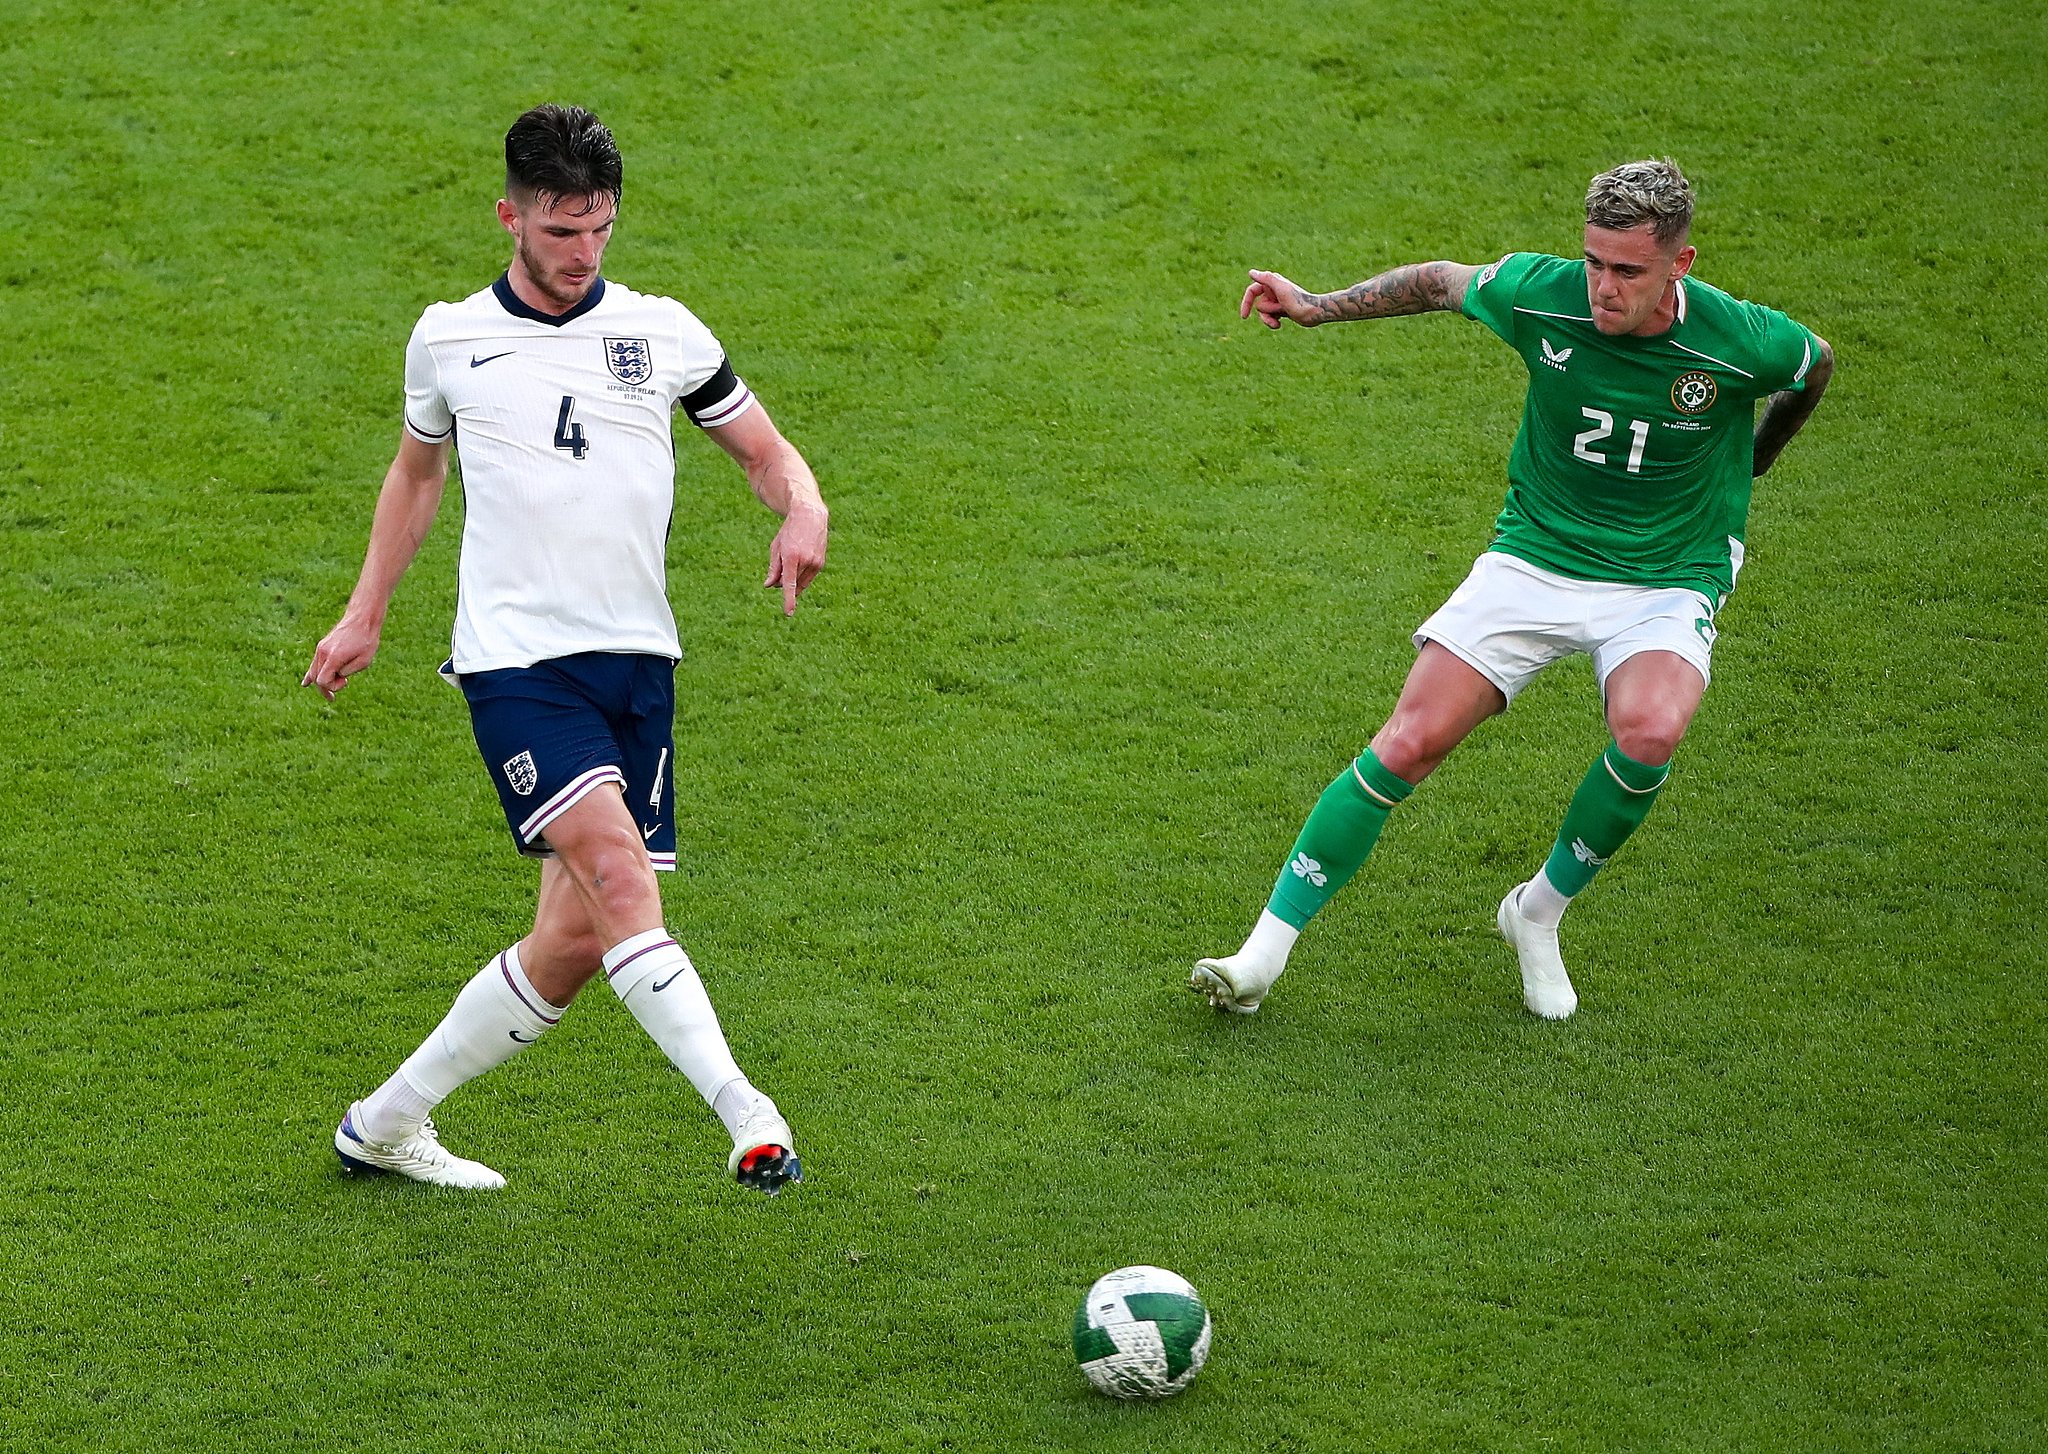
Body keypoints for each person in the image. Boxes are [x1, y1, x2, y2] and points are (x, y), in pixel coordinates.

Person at [304, 104, 829, 1191]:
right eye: (559, 232)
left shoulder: (662, 330)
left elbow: (763, 448)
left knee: (575, 941)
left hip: (637, 664)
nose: (581, 253)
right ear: (510, 216)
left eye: (598, 229)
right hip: (515, 662)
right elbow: (416, 474)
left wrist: (802, 507)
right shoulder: (449, 335)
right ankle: (749, 1111)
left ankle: (383, 1121)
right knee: (617, 877)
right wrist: (365, 612)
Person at [1196, 159, 1832, 1020]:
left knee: (1650, 729)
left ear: (1680, 265)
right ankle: (1261, 956)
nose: (1604, 288)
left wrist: (1759, 455)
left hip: (1665, 573)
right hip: (1536, 556)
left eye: (1628, 271)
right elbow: (1438, 282)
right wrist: (1313, 305)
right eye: (1594, 263)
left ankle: (1536, 913)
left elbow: (1814, 365)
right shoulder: (1543, 294)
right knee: (1410, 739)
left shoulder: (1738, 340)